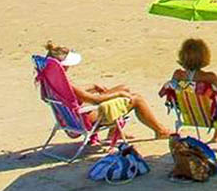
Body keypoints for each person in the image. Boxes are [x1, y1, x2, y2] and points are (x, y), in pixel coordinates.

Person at [43, 42, 171, 138]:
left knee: (124, 87)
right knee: (136, 99)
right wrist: (119, 94)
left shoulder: (50, 81)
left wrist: (92, 88)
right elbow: (94, 99)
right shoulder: (67, 84)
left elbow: (71, 95)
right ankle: (160, 131)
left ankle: (114, 133)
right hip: (85, 119)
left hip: (70, 118)